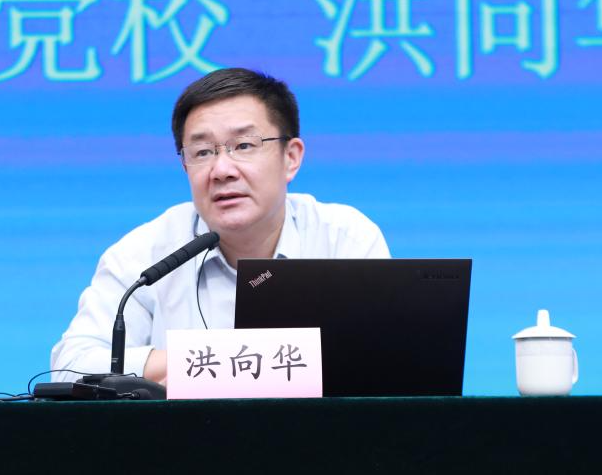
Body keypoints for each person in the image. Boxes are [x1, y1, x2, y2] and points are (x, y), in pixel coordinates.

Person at [50, 67, 390, 383]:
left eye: (244, 145)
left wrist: (215, 365)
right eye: (202, 152)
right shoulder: (145, 255)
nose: (222, 170)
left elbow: (385, 357)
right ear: (185, 167)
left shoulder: (344, 239)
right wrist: (207, 360)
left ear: (291, 158)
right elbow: (70, 366)